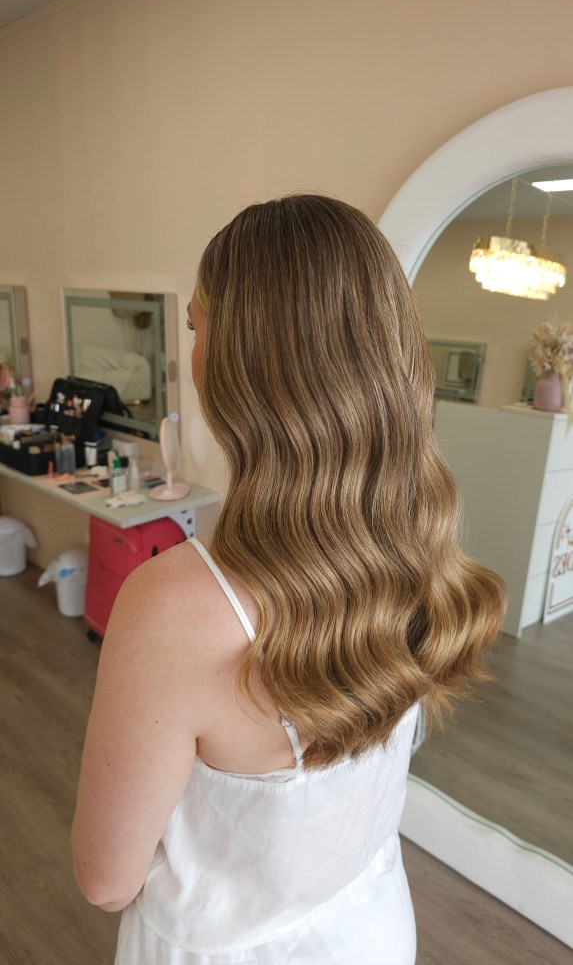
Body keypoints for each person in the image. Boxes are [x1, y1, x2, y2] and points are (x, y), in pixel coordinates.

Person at [72, 194, 506, 964]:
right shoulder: (417, 545)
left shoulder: (174, 607)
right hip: (369, 928)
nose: (192, 352)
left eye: (197, 327)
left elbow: (105, 880)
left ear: (241, 367)